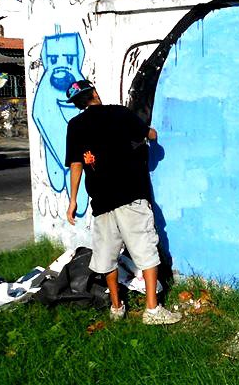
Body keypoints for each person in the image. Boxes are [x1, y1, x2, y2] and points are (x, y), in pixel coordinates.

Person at [64, 79, 179, 324]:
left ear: (77, 104)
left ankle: (116, 307)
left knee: (107, 256)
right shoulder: (119, 112)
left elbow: (76, 165)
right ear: (94, 92)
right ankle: (152, 310)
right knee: (145, 250)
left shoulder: (75, 126)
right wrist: (153, 136)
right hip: (130, 195)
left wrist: (73, 200)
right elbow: (150, 133)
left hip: (101, 201)